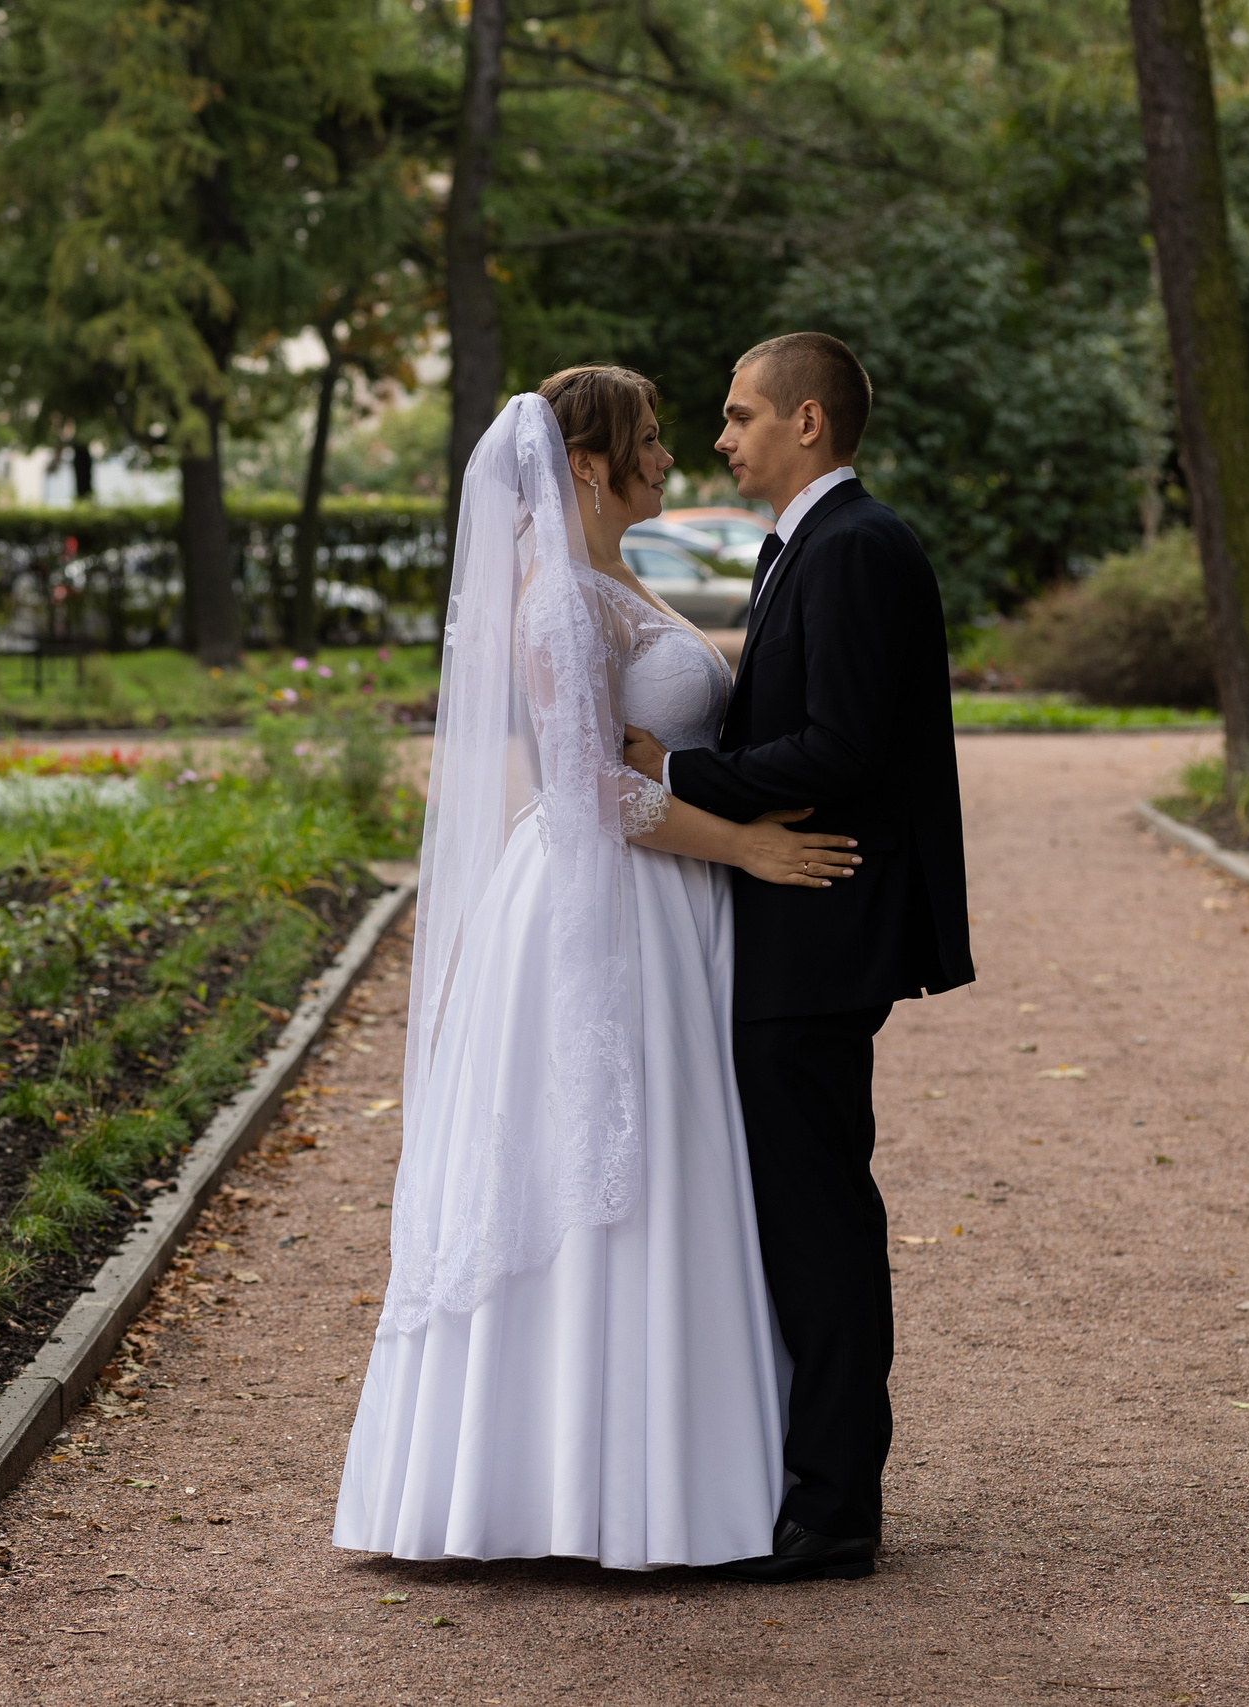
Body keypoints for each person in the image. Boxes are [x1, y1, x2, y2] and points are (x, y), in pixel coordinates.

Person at [331, 367, 860, 1569]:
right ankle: (572, 1488)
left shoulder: (617, 582)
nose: (673, 457)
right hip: (604, 901)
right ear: (585, 463)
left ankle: (675, 1471)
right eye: (652, 439)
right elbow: (584, 790)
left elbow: (655, 745)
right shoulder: (558, 600)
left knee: (678, 1169)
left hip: (670, 903)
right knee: (601, 1168)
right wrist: (747, 847)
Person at [623, 332, 974, 1582]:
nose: (721, 439)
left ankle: (832, 1510)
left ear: (808, 422)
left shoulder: (856, 548)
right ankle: (809, 1480)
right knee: (801, 1208)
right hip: (797, 932)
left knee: (819, 1216)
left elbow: (838, 749)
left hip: (821, 932)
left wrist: (675, 773)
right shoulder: (814, 547)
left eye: (738, 416)